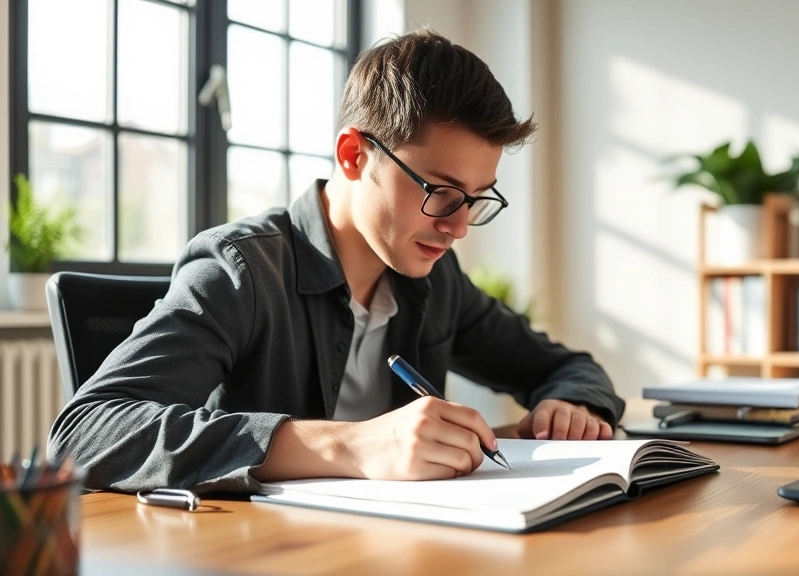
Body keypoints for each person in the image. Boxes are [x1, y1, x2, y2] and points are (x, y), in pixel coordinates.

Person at [48, 29, 625, 493]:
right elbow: (84, 434)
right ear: (353, 154)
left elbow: (565, 366)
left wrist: (571, 404)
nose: (457, 227)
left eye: (476, 200)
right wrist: (353, 445)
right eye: (441, 193)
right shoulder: (241, 271)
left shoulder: (433, 279)